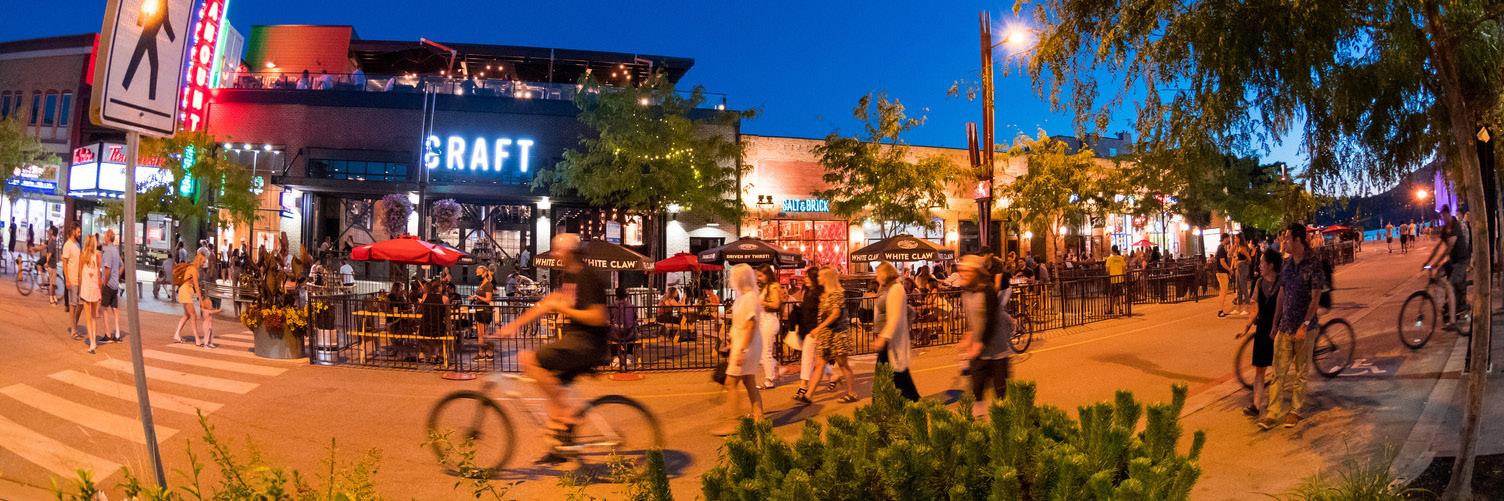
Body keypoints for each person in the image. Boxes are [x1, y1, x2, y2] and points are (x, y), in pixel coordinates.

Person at [493, 234, 610, 464]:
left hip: (588, 343)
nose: (555, 255)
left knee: (529, 360)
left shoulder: (587, 276)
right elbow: (546, 304)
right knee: (551, 388)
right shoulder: (569, 276)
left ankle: (567, 416)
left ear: (569, 252)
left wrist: (563, 309)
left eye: (557, 250)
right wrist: (512, 327)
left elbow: (598, 317)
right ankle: (560, 446)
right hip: (577, 339)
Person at [1258, 223, 1324, 431]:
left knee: (1300, 372)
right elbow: (1282, 294)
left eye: (1287, 238)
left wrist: (1305, 324)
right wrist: (1275, 322)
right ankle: (1272, 412)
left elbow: (1315, 298)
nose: (1283, 241)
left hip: (1305, 328)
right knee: (1278, 371)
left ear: (1297, 240)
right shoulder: (1287, 265)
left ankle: (1295, 410)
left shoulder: (1313, 264)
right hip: (1285, 326)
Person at [712, 264, 766, 436]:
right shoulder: (745, 296)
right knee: (749, 380)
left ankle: (733, 422)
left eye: (733, 276)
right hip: (743, 342)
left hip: (746, 344)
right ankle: (759, 417)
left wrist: (742, 349)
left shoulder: (749, 297)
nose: (731, 279)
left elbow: (751, 325)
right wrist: (732, 340)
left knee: (731, 383)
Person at [957, 254, 1012, 416]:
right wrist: (968, 335)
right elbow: (973, 320)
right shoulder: (966, 292)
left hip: (997, 350)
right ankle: (979, 422)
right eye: (961, 271)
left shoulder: (988, 290)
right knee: (976, 390)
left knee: (1000, 392)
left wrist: (979, 343)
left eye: (967, 271)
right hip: (979, 352)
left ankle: (1003, 421)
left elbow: (990, 320)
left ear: (977, 272)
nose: (963, 274)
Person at [793, 267, 857, 405]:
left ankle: (852, 393)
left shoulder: (836, 294)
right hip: (827, 335)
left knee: (843, 365)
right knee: (819, 365)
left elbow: (835, 314)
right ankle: (808, 395)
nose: (818, 278)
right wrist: (820, 331)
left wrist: (818, 328)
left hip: (838, 335)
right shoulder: (824, 295)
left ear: (827, 278)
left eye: (820, 276)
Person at [1237, 249, 1281, 417]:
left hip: (1279, 330)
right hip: (1263, 330)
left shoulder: (1282, 282)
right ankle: (1256, 405)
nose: (1259, 265)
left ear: (1271, 265)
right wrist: (1247, 327)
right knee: (1260, 370)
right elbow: (1254, 308)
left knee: (1279, 369)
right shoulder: (1259, 283)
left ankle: (1275, 408)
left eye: (1262, 262)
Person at [871, 262, 920, 401]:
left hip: (891, 340)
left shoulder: (896, 289)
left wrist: (883, 337)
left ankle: (887, 405)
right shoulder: (889, 288)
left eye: (878, 274)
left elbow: (894, 317)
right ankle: (908, 402)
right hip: (888, 339)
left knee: (895, 375)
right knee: (896, 376)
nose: (877, 277)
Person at [791, 267, 833, 402]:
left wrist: (820, 330)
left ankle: (804, 386)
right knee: (818, 360)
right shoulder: (809, 292)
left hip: (816, 331)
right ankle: (833, 376)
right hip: (810, 330)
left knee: (808, 357)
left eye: (808, 277)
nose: (805, 279)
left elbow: (828, 313)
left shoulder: (821, 294)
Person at [1424, 205, 1471, 319]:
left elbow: (1448, 248)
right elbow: (1438, 247)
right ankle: (1448, 300)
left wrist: (1436, 263)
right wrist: (1428, 261)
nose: (1443, 219)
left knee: (1450, 284)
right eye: (1442, 217)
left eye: (1444, 216)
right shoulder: (1445, 229)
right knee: (1438, 274)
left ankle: (1453, 317)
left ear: (1448, 214)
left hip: (1461, 260)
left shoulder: (1456, 226)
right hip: (1453, 260)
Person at [756, 266, 783, 389]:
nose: (759, 278)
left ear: (767, 275)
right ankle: (776, 368)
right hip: (763, 321)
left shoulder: (773, 286)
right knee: (762, 352)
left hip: (769, 321)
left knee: (766, 352)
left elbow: (776, 304)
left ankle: (769, 379)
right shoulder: (765, 287)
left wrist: (762, 303)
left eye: (761, 275)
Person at [173, 254, 206, 344]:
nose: (204, 264)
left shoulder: (192, 268)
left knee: (187, 315)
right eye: (203, 262)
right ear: (199, 260)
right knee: (193, 315)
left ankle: (177, 334)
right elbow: (197, 286)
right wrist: (201, 301)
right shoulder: (193, 269)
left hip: (185, 291)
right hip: (185, 291)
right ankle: (197, 339)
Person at [78, 235, 102, 353]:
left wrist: (80, 288)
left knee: (88, 317)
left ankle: (92, 341)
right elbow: (99, 274)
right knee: (93, 317)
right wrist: (100, 289)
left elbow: (79, 274)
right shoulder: (97, 255)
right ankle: (94, 341)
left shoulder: (82, 255)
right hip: (94, 288)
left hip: (86, 288)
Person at [100, 229, 124, 342]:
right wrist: (117, 276)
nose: (104, 237)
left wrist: (105, 281)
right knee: (115, 308)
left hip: (108, 284)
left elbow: (107, 268)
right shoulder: (115, 250)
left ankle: (107, 333)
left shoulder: (108, 251)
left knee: (104, 307)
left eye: (105, 235)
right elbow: (122, 265)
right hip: (115, 283)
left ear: (108, 237)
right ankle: (117, 333)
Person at [470, 266, 497, 362]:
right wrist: (474, 297)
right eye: (476, 273)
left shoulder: (488, 285)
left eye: (479, 273)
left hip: (484, 311)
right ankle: (484, 353)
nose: (477, 275)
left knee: (483, 334)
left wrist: (477, 296)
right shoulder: (481, 284)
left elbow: (488, 299)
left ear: (484, 273)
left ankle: (486, 353)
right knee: (480, 333)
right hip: (479, 310)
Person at [608, 287, 638, 369]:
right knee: (633, 331)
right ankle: (629, 356)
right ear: (626, 295)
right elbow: (635, 318)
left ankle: (615, 358)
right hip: (629, 335)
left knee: (610, 334)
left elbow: (608, 319)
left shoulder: (612, 306)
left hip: (615, 335)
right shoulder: (632, 306)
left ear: (616, 295)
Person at [61, 225, 82, 333]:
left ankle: (74, 324)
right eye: (78, 231)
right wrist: (67, 279)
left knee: (81, 304)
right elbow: (64, 263)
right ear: (73, 231)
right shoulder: (67, 245)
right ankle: (73, 329)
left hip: (79, 279)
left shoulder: (78, 245)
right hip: (72, 278)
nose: (79, 234)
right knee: (73, 304)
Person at [1214, 235, 1232, 318]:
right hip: (1222, 273)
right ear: (1225, 239)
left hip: (1220, 272)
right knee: (1223, 292)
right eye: (1228, 238)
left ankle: (1221, 310)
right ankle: (1220, 310)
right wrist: (1229, 269)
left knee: (1223, 292)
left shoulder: (1220, 247)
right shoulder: (1221, 248)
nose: (1229, 240)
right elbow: (1222, 262)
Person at [1105, 245, 1127, 313]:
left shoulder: (1109, 259)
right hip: (1120, 278)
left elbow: (1107, 269)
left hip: (1113, 279)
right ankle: (1121, 309)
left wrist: (1109, 273)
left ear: (1112, 250)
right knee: (1120, 295)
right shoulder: (1121, 258)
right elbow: (1124, 268)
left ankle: (1111, 309)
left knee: (1112, 295)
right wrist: (1122, 274)